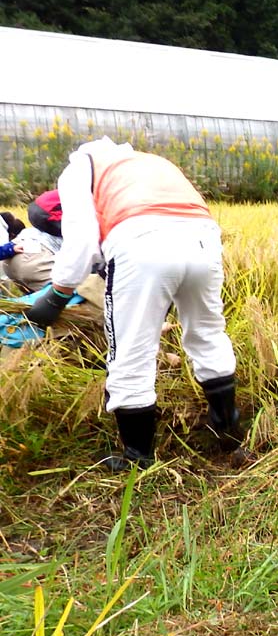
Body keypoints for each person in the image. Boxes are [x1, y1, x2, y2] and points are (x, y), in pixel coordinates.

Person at [24, 137, 247, 470]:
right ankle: (226, 427)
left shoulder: (80, 167)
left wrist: (56, 294)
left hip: (141, 244)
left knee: (130, 351)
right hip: (204, 241)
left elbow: (81, 240)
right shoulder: (152, 161)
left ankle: (137, 457)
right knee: (207, 333)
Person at [1, 192, 64, 292]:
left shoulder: (38, 224)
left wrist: (10, 248)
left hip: (12, 258)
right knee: (71, 288)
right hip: (37, 259)